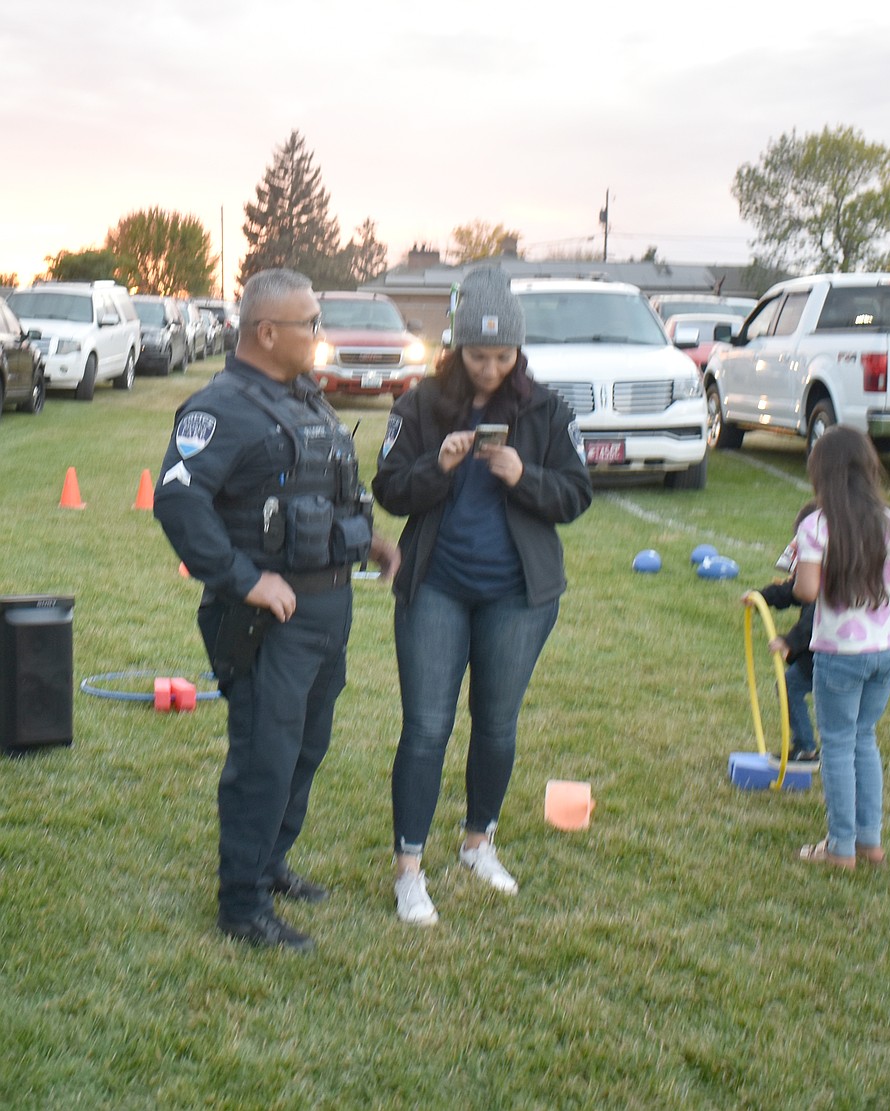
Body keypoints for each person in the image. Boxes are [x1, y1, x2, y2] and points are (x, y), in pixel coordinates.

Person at [154, 268, 398, 952]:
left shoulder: (305, 400)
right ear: (267, 332)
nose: (319, 334)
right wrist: (244, 578)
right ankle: (241, 903)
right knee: (265, 754)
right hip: (272, 622)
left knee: (304, 748)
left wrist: (369, 542)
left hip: (328, 607)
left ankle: (269, 863)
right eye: (310, 322)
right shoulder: (222, 407)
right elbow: (178, 499)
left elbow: (317, 491)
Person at [372, 265, 592, 926]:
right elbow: (389, 488)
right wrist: (436, 466)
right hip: (436, 584)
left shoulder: (548, 409)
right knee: (428, 725)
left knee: (496, 721)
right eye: (477, 354)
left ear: (518, 353)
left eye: (502, 355)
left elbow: (575, 494)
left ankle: (478, 841)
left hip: (517, 594)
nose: (490, 367)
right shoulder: (417, 404)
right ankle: (410, 868)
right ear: (456, 350)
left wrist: (525, 476)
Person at [792, 426, 890, 869]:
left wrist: (803, 567)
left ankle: (839, 847)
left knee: (839, 744)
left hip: (841, 652)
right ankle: (870, 842)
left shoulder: (817, 525)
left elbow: (806, 590)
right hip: (887, 650)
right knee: (865, 739)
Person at [742, 500, 819, 762]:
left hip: (827, 651)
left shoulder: (826, 575)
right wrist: (761, 596)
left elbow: (817, 614)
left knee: (790, 686)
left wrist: (789, 641)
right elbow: (792, 590)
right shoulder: (816, 571)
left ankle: (807, 747)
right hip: (828, 649)